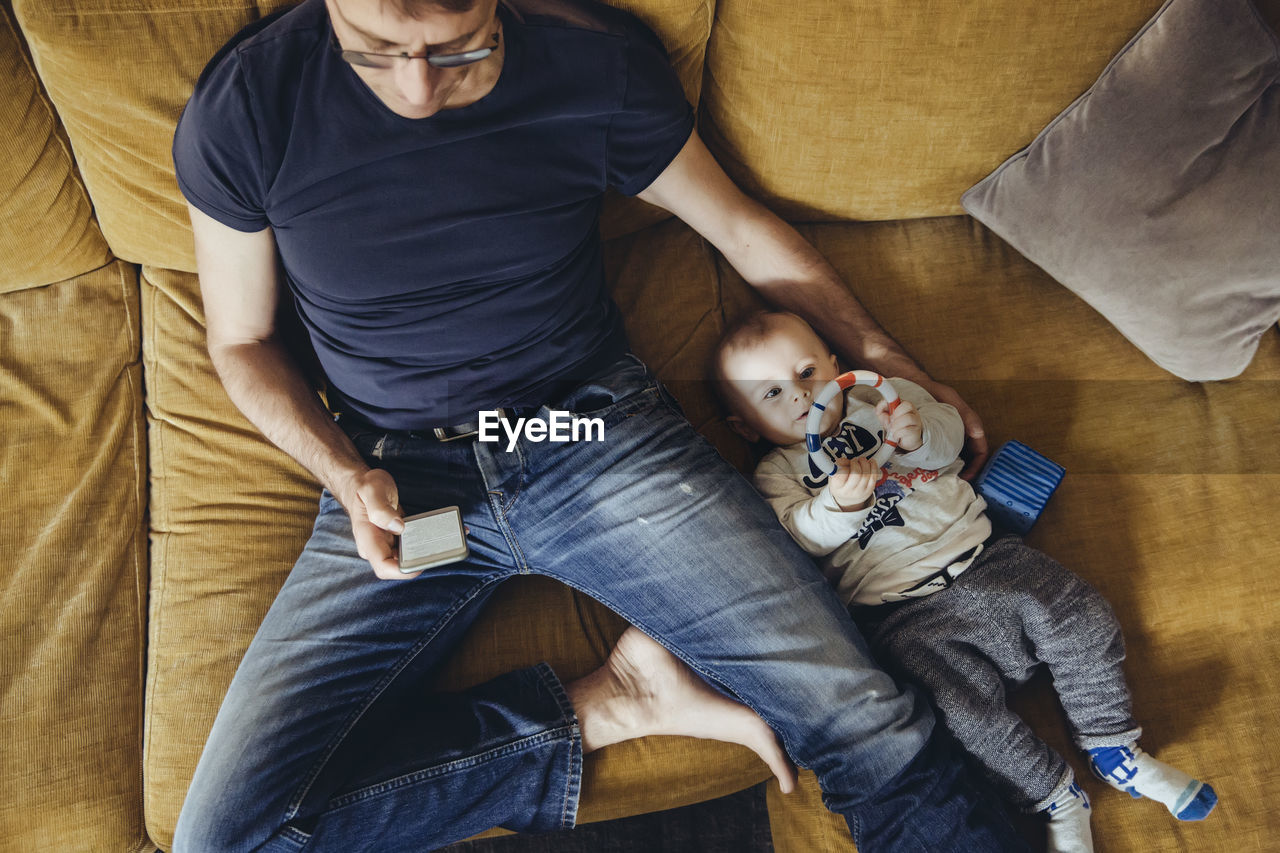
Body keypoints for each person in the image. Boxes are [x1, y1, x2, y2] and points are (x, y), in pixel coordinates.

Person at [170, 0, 1022, 849]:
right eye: (376, 51)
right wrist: (341, 472)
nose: (418, 87)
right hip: (401, 476)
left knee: (861, 721)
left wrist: (879, 348)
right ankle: (605, 705)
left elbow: (737, 227)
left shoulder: (592, 65)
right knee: (229, 839)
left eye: (459, 48)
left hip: (590, 440)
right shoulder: (248, 104)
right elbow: (241, 340)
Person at [714, 310, 1219, 853]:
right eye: (770, 394)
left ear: (837, 366)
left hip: (989, 560)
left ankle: (1113, 747)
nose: (801, 395)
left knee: (1082, 616)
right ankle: (1055, 796)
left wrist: (917, 438)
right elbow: (798, 538)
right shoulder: (778, 475)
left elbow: (950, 438)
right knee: (957, 717)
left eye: (807, 370)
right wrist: (837, 504)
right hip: (903, 613)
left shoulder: (886, 399)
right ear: (743, 425)